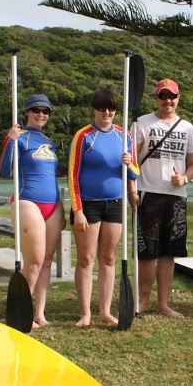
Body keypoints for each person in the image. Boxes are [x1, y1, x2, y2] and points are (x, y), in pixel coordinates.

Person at [68, 89, 139, 327]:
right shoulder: (84, 136)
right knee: (86, 259)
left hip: (115, 204)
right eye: (102, 108)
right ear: (94, 110)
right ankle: (85, 313)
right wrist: (77, 210)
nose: (107, 113)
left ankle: (105, 312)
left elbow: (135, 172)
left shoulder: (124, 136)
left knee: (108, 258)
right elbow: (72, 175)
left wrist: (129, 165)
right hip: (88, 204)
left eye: (111, 109)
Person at [131, 78, 193, 317]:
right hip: (148, 193)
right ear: (157, 99)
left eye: (171, 96)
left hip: (176, 197)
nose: (167, 101)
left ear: (178, 98)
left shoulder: (187, 128)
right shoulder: (141, 123)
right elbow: (130, 159)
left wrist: (185, 178)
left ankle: (163, 303)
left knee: (168, 252)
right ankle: (142, 302)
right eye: (163, 96)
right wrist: (132, 189)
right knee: (147, 252)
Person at [0, 93, 64, 328]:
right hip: (28, 202)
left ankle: (39, 313)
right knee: (34, 260)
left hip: (53, 204)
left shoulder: (48, 141)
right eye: (36, 110)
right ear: (26, 112)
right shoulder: (19, 137)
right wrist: (10, 140)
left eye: (45, 111)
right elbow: (6, 170)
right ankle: (20, 310)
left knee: (47, 260)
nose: (41, 114)